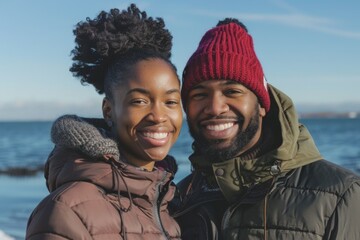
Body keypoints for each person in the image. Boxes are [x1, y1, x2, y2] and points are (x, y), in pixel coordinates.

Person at [174, 18, 360, 239]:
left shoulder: (339, 194)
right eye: (199, 94)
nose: (215, 108)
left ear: (262, 105)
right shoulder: (178, 198)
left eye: (232, 91)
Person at [26, 4, 182, 240]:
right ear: (109, 111)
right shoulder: (66, 211)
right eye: (139, 101)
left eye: (171, 102)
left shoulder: (168, 206)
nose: (159, 116)